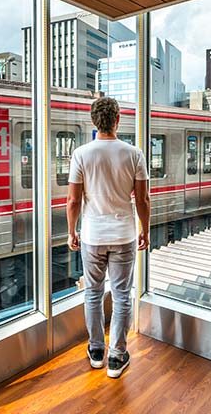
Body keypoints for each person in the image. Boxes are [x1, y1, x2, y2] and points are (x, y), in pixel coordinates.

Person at [66, 96, 150, 379]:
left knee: (93, 292)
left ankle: (96, 352)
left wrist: (71, 231)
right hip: (124, 234)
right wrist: (145, 229)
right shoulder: (134, 154)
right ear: (117, 120)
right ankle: (117, 356)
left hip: (92, 235)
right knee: (122, 294)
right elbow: (143, 199)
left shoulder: (81, 154)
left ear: (94, 121)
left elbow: (73, 201)